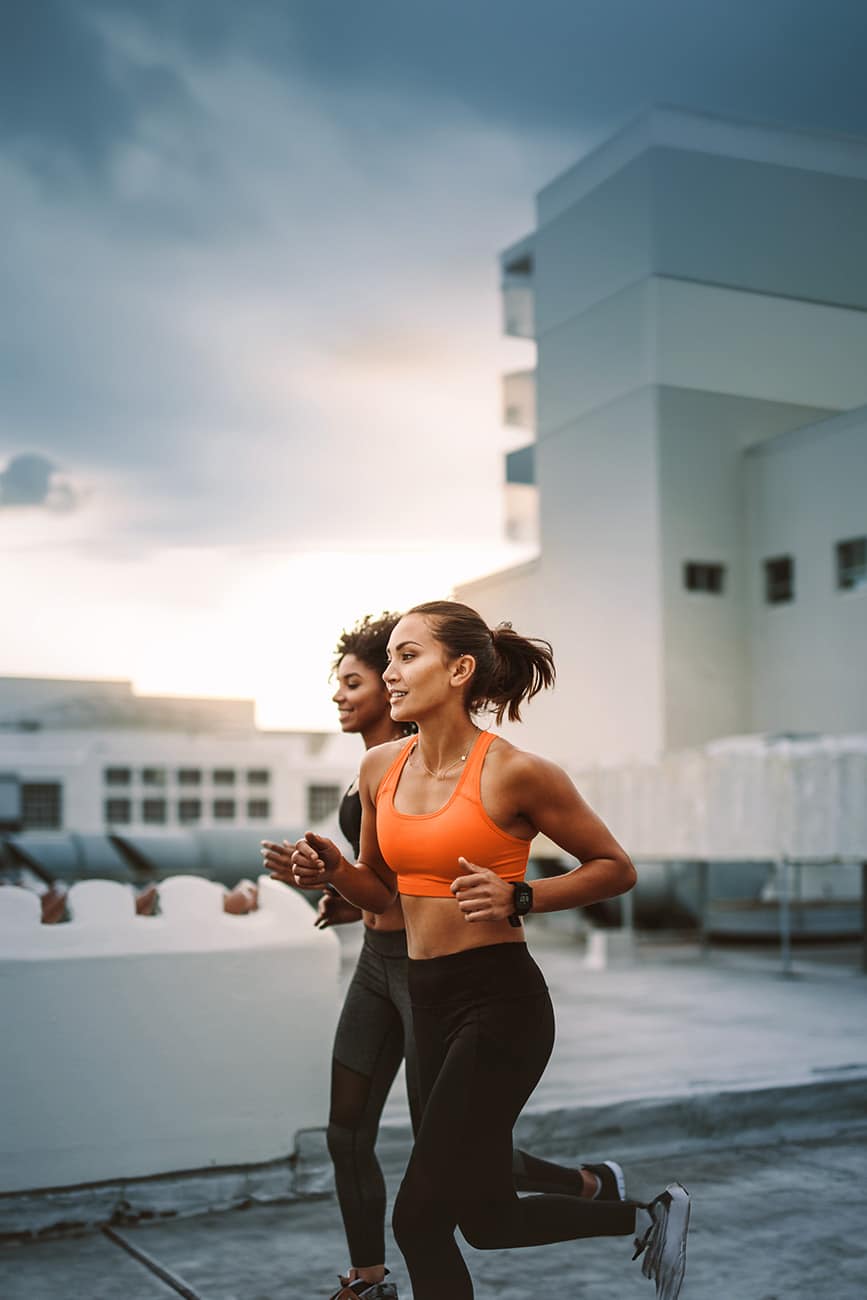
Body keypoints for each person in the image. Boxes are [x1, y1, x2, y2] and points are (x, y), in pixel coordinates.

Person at [284, 601, 690, 1300]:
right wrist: (334, 873)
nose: (391, 672)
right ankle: (648, 1215)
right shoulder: (383, 768)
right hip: (428, 999)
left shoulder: (515, 773)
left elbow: (614, 867)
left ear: (460, 669)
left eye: (408, 656)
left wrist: (521, 897)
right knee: (485, 1219)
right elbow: (382, 892)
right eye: (390, 659)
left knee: (417, 1220)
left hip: (501, 1004)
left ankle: (641, 1212)